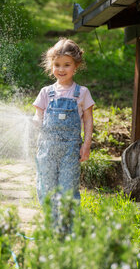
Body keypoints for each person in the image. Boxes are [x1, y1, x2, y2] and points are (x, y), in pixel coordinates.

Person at [32, 38, 94, 227]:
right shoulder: (46, 92)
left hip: (70, 152)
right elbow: (38, 118)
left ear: (76, 66)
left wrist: (86, 145)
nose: (61, 69)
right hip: (47, 150)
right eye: (57, 65)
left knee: (68, 188)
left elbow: (88, 120)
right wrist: (30, 125)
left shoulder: (81, 93)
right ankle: (52, 223)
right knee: (46, 186)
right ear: (51, 66)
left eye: (66, 65)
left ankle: (67, 226)